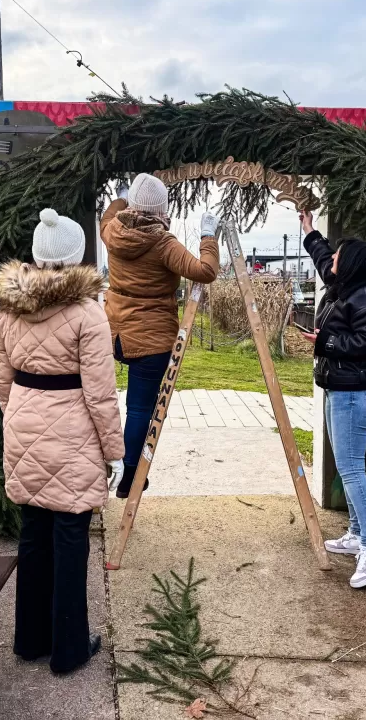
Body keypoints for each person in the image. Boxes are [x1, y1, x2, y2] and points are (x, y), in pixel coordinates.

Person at [0, 208, 124, 673]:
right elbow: (100, 392)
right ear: (76, 256)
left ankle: (29, 640)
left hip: (24, 424)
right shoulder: (88, 313)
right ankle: (68, 650)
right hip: (74, 433)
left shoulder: (7, 307)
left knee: (33, 535)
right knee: (70, 538)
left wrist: (19, 417)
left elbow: (2, 378)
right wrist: (114, 451)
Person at [100, 174, 220, 497]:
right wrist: (208, 236)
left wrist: (122, 198)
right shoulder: (162, 242)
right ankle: (129, 478)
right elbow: (204, 271)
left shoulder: (113, 230)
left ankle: (124, 471)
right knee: (140, 409)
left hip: (118, 337)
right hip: (152, 342)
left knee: (130, 408)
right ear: (160, 210)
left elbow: (106, 217)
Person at [300, 210, 366, 589]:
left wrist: (327, 342)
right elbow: (324, 260)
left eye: (338, 257)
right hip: (341, 392)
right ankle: (356, 533)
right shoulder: (345, 289)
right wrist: (309, 232)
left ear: (350, 265)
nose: (331, 260)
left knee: (353, 471)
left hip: (355, 396)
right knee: (347, 467)